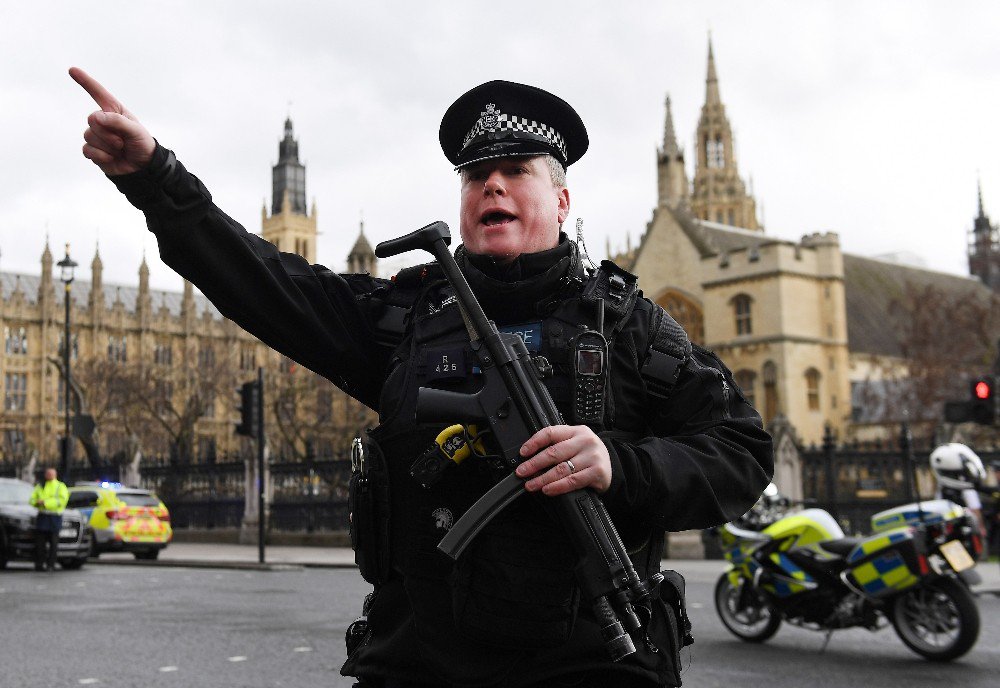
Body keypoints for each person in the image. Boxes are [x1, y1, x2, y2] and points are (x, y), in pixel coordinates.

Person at [71, 69, 774, 687]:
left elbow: (742, 451)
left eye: (518, 168)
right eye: (475, 175)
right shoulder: (401, 316)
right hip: (418, 662)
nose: (491, 183)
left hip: (594, 660)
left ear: (562, 202)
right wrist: (156, 179)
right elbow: (262, 282)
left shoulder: (630, 326)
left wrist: (621, 465)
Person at [930, 443, 988, 546]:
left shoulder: (945, 488)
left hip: (953, 529)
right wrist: (980, 527)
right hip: (961, 529)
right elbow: (975, 509)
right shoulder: (966, 488)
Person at [29, 467, 69, 571]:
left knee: (53, 543)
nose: (49, 475)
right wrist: (36, 502)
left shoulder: (60, 486)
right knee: (40, 543)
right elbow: (32, 499)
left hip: (54, 517)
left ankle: (50, 564)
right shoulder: (40, 486)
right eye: (48, 473)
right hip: (42, 516)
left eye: (51, 474)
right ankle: (39, 564)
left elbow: (62, 501)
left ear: (55, 475)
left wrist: (45, 503)